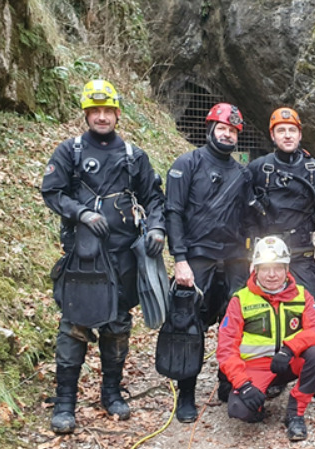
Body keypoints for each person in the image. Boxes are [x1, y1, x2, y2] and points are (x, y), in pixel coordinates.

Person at [42, 79, 166, 433]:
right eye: (94, 111)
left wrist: (156, 229)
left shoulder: (133, 156)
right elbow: (52, 191)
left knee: (117, 324)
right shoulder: (71, 151)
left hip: (123, 256)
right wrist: (81, 213)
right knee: (74, 325)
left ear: (116, 113)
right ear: (86, 114)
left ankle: (111, 392)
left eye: (106, 111)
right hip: (83, 258)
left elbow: (155, 198)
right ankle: (65, 403)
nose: (101, 117)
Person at [165, 102, 256, 423]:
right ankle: (186, 395)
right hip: (197, 259)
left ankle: (225, 381)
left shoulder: (242, 174)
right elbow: (173, 212)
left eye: (233, 130)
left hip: (234, 259)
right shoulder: (187, 164)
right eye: (222, 129)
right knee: (189, 327)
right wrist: (180, 260)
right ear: (210, 129)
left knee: (234, 325)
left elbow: (248, 219)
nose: (227, 134)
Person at [247, 107, 315, 404]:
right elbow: (241, 209)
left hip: (301, 254)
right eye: (281, 131)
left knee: (313, 314)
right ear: (272, 136)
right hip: (269, 259)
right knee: (266, 317)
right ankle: (271, 373)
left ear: (300, 134)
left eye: (292, 130)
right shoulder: (258, 169)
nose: (287, 135)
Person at [217, 236, 315, 441]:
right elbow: (226, 349)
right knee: (240, 411)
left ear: (287, 269)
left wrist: (289, 349)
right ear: (255, 269)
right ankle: (257, 398)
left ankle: (295, 413)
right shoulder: (240, 300)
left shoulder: (302, 294)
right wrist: (243, 384)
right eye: (265, 268)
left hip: (288, 362)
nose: (272, 275)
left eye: (278, 268)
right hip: (255, 367)